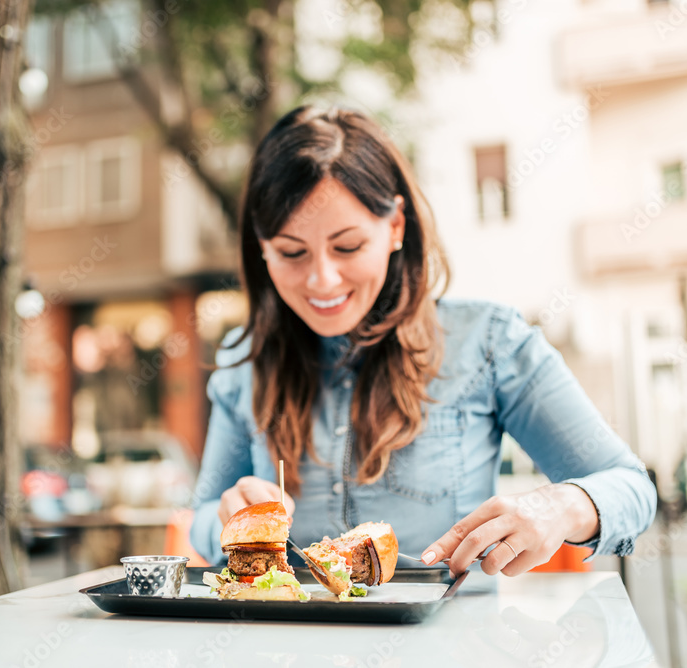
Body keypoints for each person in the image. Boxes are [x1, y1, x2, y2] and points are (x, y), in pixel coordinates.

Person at [189, 105, 656, 578]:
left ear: (395, 226)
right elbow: (205, 515)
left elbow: (632, 488)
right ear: (262, 247)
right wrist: (226, 519)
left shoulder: (489, 343)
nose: (322, 279)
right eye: (292, 252)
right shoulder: (242, 362)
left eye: (347, 246)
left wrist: (562, 506)